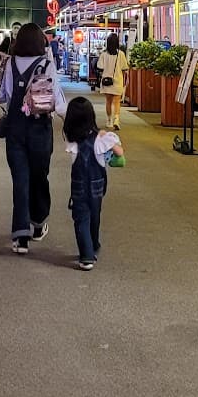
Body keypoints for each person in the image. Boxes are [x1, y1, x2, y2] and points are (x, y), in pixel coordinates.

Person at [0, 21, 66, 254]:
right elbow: (57, 100)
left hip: (15, 128)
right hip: (40, 129)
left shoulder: (8, 63)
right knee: (40, 176)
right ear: (41, 42)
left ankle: (20, 236)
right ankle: (38, 221)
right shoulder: (47, 64)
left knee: (20, 180)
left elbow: (3, 97)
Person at [63, 96, 123, 270]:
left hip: (79, 187)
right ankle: (94, 244)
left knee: (81, 219)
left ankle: (86, 256)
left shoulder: (72, 141)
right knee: (95, 216)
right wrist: (106, 135)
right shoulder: (101, 139)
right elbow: (119, 152)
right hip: (97, 186)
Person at [98, 34, 129, 131]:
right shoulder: (121, 54)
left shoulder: (104, 54)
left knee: (108, 101)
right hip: (118, 81)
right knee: (117, 102)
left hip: (107, 81)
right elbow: (124, 68)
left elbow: (100, 67)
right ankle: (116, 119)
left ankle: (109, 120)